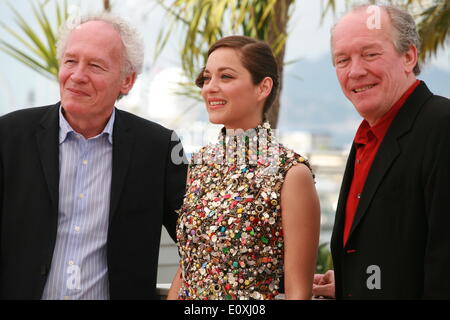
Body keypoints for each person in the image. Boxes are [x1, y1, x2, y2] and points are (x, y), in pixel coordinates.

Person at [0, 13, 187, 299]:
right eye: (71, 61)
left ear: (127, 81)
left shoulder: (158, 148)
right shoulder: (9, 136)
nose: (77, 76)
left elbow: (201, 243)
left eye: (95, 66)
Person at [167, 36, 321, 300]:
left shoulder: (291, 174)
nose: (209, 88)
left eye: (225, 77)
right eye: (206, 78)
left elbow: (298, 293)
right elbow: (188, 267)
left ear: (263, 88)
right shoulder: (200, 164)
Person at [313, 4, 450, 299]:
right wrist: (353, 283)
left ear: (409, 56)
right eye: (342, 60)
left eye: (370, 54)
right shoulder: (368, 136)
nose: (356, 71)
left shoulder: (442, 126)